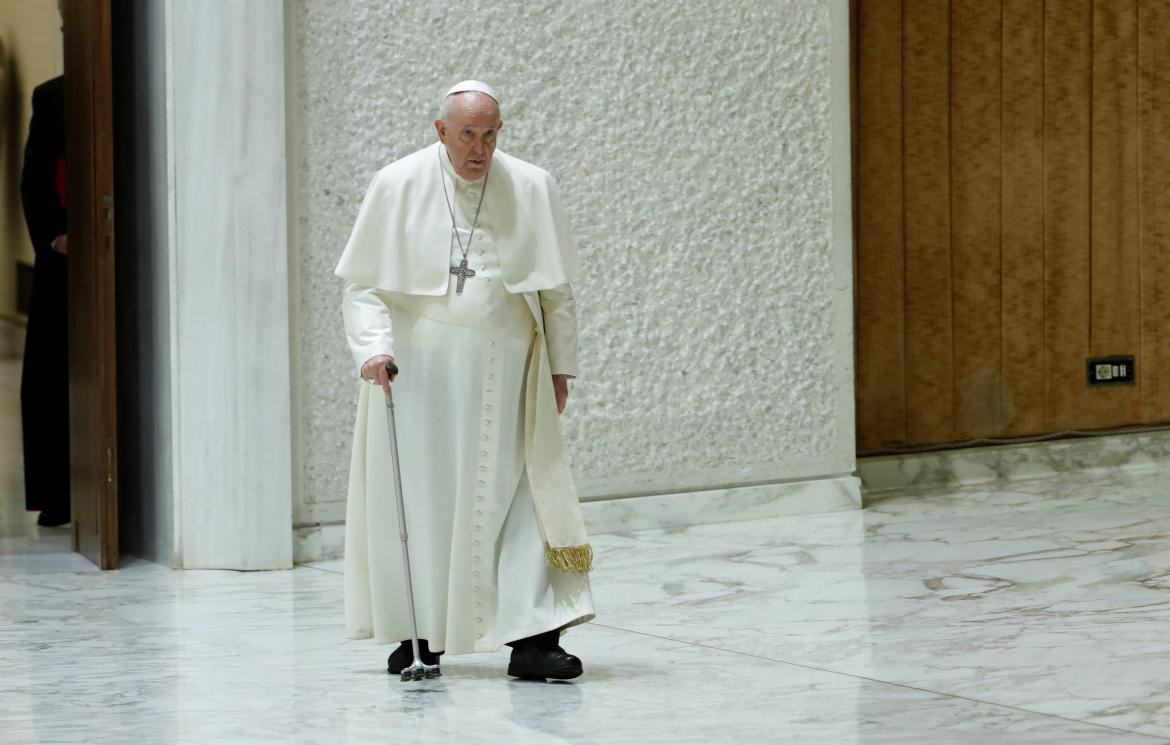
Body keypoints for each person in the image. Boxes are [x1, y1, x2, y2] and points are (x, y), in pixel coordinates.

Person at [335, 81, 595, 680]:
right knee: (422, 501)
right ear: (441, 130)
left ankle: (533, 639)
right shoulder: (396, 183)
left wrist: (560, 366)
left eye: (491, 134)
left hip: (511, 375)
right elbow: (364, 284)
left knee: (523, 501)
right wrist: (373, 350)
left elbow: (556, 291)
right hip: (420, 375)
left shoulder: (532, 185)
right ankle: (423, 633)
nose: (481, 149)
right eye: (469, 135)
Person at [19, 74, 70, 528]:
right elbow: (35, 179)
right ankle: (57, 494)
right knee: (49, 377)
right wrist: (56, 237)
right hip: (61, 262)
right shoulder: (51, 96)